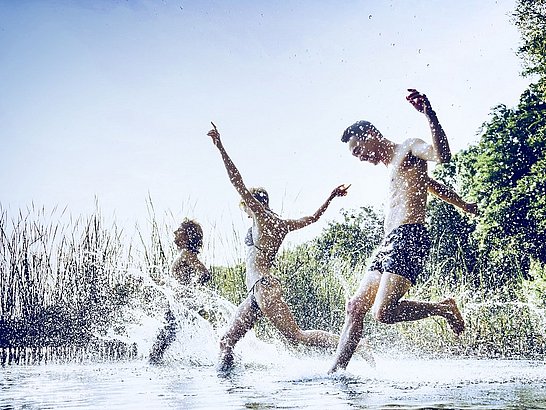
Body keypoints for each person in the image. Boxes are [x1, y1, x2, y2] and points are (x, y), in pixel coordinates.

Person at [329, 89, 476, 373]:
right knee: (355, 306)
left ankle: (443, 308)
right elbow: (431, 186)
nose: (359, 158)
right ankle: (335, 373)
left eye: (358, 149)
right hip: (388, 242)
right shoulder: (392, 168)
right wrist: (461, 203)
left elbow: (442, 156)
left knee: (382, 312)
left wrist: (429, 115)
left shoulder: (409, 147)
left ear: (370, 133)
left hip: (410, 237)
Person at [206, 123, 358, 372]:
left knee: (296, 336)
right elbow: (313, 218)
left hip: (263, 288)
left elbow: (237, 181)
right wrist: (330, 198)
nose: (246, 209)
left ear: (251, 204)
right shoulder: (282, 223)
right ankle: (227, 387)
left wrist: (221, 147)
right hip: (257, 292)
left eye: (247, 204)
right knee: (226, 342)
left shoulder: (261, 216)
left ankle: (355, 345)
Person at [149, 219, 211, 365]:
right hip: (177, 304)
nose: (175, 232)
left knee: (159, 345)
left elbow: (205, 274)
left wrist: (189, 290)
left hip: (180, 304)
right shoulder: (184, 254)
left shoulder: (187, 254)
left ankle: (156, 370)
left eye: (179, 230)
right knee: (164, 340)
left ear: (187, 235)